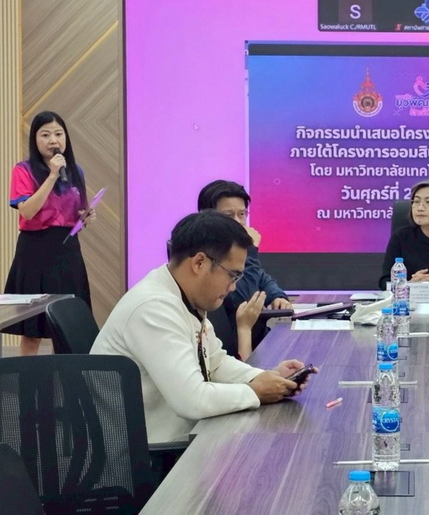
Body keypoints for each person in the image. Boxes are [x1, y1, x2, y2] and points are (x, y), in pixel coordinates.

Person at [91, 211, 313, 442]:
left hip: (179, 440)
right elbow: (192, 400)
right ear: (199, 263)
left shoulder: (182, 297)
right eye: (233, 275)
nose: (233, 287)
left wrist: (267, 377)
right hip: (148, 455)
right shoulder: (153, 308)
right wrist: (257, 391)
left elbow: (215, 363)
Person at [3, 111, 95, 356]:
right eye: (45, 135)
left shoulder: (75, 171)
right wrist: (52, 175)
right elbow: (28, 211)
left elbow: (76, 211)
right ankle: (27, 378)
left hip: (67, 251)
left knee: (66, 328)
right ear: (35, 140)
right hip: (35, 251)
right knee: (32, 331)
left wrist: (85, 217)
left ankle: (64, 378)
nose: (53, 140)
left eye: (58, 134)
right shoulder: (23, 170)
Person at [197, 180, 291, 359]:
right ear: (206, 217)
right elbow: (243, 300)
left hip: (257, 343)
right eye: (228, 215)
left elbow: (261, 277)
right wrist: (249, 249)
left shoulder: (230, 251)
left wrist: (276, 295)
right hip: (235, 354)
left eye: (242, 214)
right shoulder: (206, 258)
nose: (238, 222)